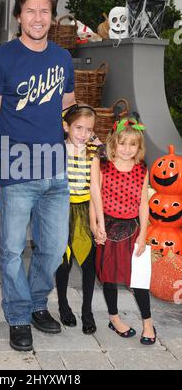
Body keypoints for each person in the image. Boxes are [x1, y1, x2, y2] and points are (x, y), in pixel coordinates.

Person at [0, 0, 76, 352]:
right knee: (13, 248)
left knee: (53, 247)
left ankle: (37, 303)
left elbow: (66, 106)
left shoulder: (63, 59)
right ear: (19, 15)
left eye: (45, 11)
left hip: (54, 168)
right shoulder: (0, 59)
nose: (38, 18)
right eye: (31, 10)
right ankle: (18, 315)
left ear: (52, 16)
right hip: (15, 169)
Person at [91, 115, 156, 345]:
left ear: (139, 147)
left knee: (138, 279)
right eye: (122, 143)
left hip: (132, 228)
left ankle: (147, 322)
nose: (127, 149)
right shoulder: (103, 164)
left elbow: (143, 203)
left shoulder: (141, 169)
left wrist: (143, 234)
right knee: (109, 277)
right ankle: (114, 317)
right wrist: (98, 224)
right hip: (108, 226)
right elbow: (95, 195)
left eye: (133, 144)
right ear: (113, 142)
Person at [55, 105, 105, 335]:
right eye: (78, 128)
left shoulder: (93, 152)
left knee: (88, 263)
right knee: (63, 261)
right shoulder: (58, 150)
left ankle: (87, 311)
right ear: (66, 127)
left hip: (86, 210)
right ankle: (63, 305)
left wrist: (99, 223)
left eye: (88, 129)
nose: (83, 134)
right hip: (61, 208)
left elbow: (95, 188)